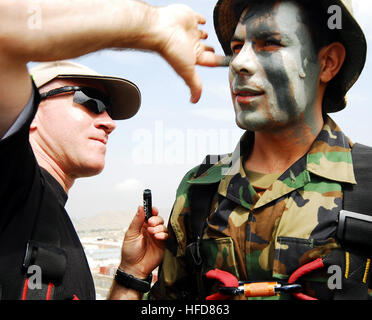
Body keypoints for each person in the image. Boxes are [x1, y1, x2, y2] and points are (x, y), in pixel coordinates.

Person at [0, 0, 223, 300]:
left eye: (109, 111)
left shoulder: (50, 218)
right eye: (91, 101)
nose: (109, 122)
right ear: (31, 110)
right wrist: (154, 26)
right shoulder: (10, 181)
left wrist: (131, 273)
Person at [149, 0, 371, 300]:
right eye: (237, 46)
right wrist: (130, 275)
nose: (239, 63)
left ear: (328, 62)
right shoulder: (200, 189)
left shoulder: (366, 185)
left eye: (270, 43)